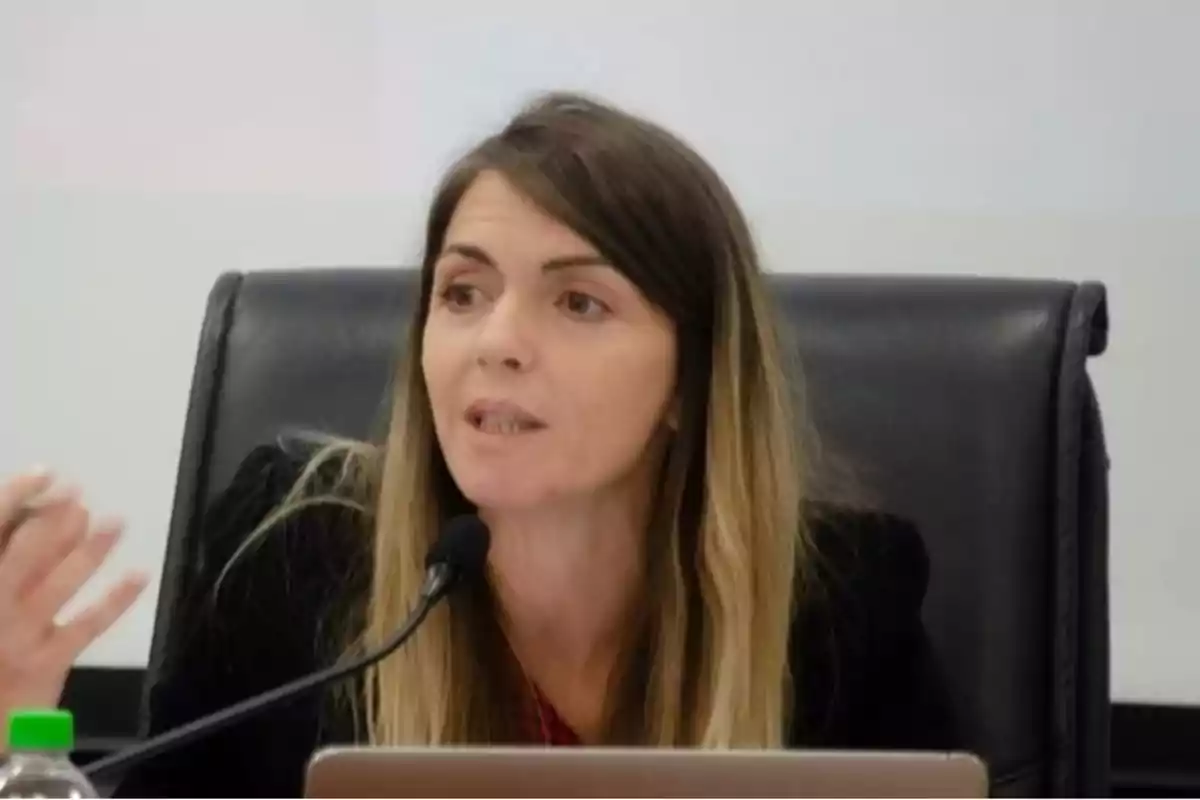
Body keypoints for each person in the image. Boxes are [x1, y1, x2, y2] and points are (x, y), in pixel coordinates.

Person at [0, 92, 957, 797]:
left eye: (579, 301)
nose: (496, 340)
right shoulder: (295, 560)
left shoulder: (838, 605)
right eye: (463, 292)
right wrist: (11, 736)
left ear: (693, 382)